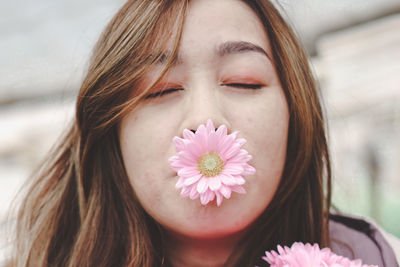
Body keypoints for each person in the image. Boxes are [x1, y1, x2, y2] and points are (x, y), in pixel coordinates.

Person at [8, 0, 399, 266]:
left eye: (243, 82)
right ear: (111, 132)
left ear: (296, 114)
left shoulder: (374, 254)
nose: (206, 121)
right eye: (161, 89)